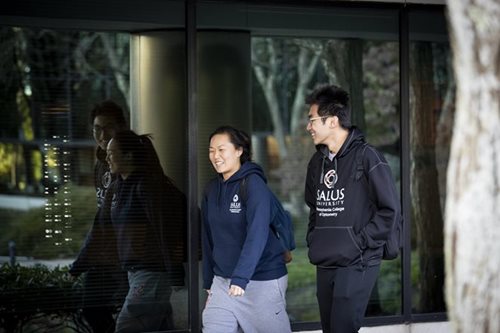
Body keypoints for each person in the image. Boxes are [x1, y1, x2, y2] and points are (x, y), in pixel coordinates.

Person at [304, 85, 400, 333]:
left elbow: (389, 210)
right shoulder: (317, 162)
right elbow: (313, 207)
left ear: (333, 121)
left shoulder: (369, 157)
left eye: (312, 120)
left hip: (359, 260)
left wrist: (360, 241)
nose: (308, 127)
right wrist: (314, 238)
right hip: (325, 259)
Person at [201, 125, 292, 333]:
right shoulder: (211, 189)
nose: (215, 156)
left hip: (262, 281)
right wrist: (208, 280)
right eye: (211, 150)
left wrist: (241, 278)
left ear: (239, 151)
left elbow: (257, 234)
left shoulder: (253, 184)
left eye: (221, 149)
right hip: (223, 283)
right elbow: (208, 238)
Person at [105, 129, 186, 333]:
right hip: (138, 273)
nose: (106, 158)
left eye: (112, 153)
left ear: (129, 156)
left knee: (126, 327)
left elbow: (165, 230)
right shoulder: (120, 188)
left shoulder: (147, 186)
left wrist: (176, 272)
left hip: (151, 274)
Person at [69, 100, 128, 333]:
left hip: (125, 255)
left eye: (109, 127)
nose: (102, 135)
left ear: (122, 127)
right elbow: (101, 215)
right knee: (91, 309)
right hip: (104, 254)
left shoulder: (127, 162)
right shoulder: (100, 164)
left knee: (128, 314)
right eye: (97, 129)